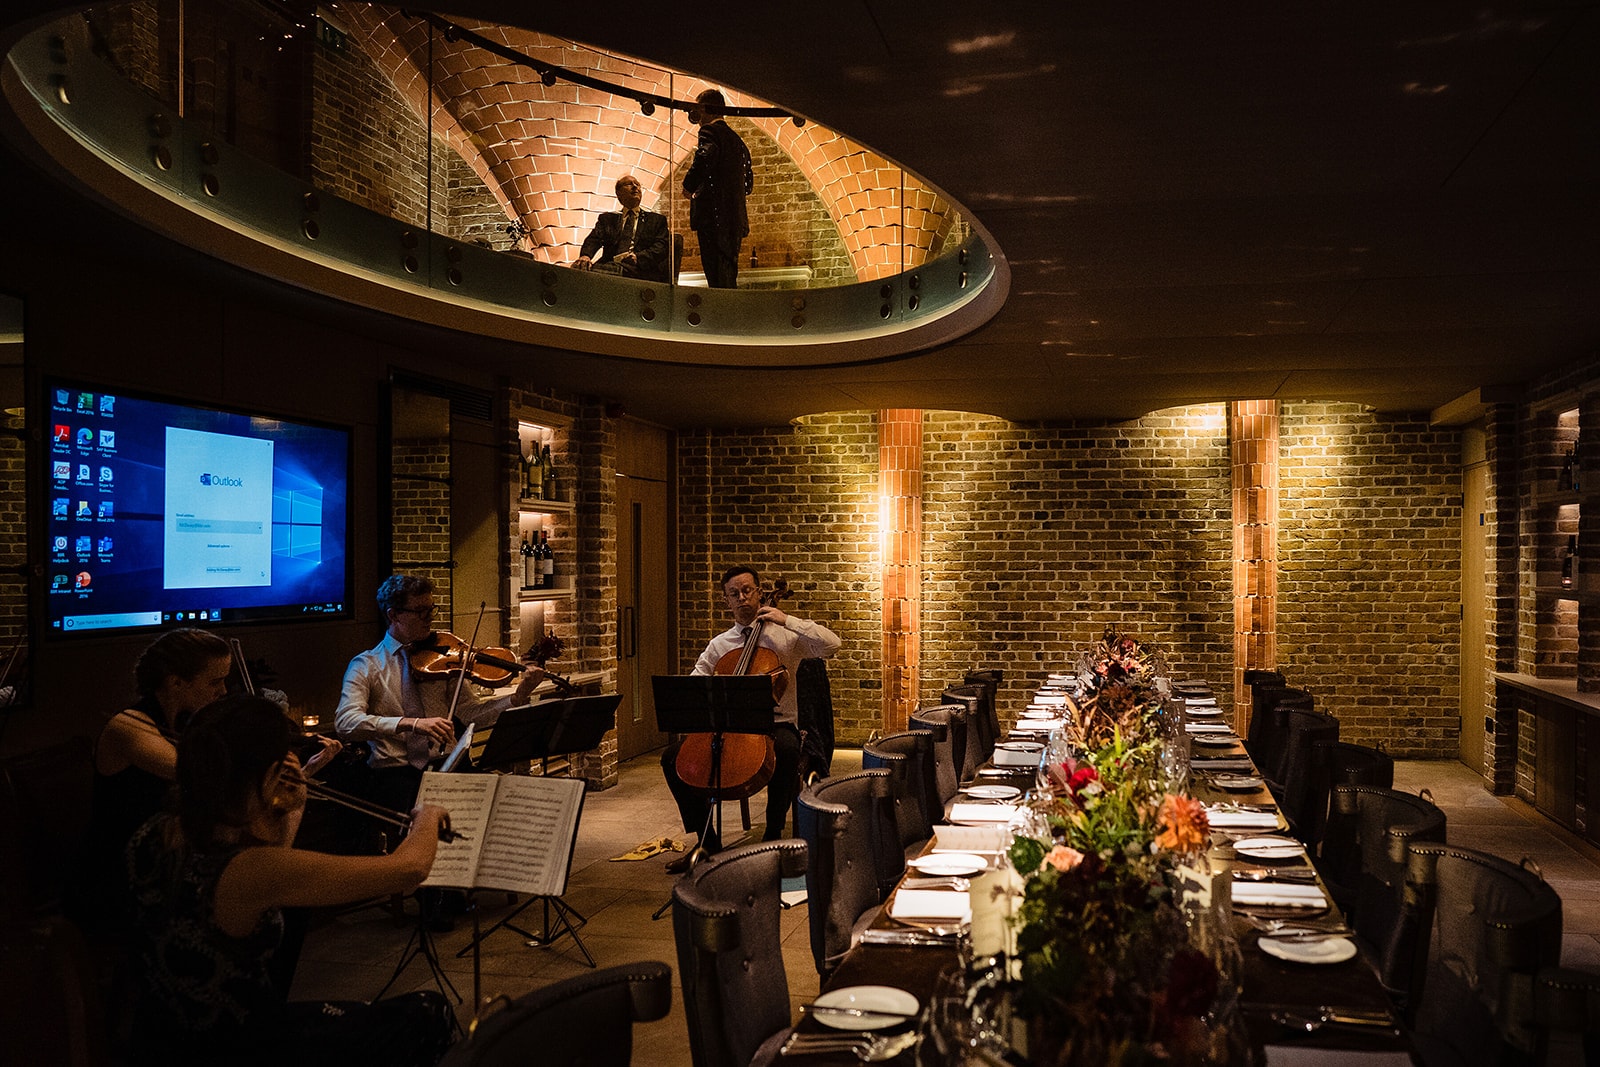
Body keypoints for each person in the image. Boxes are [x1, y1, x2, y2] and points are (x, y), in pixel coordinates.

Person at [125, 694, 455, 1066]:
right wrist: (427, 814)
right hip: (239, 1045)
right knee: (428, 1012)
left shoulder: (154, 833)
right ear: (266, 775)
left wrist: (293, 802)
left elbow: (275, 862)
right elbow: (408, 869)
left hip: (161, 1035)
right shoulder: (252, 870)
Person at [77, 628, 340, 936]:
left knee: (282, 893)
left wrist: (300, 774)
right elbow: (202, 777)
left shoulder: (187, 723)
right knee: (270, 896)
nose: (224, 691)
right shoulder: (129, 727)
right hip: (129, 869)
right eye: (215, 681)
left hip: (180, 855)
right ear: (176, 682)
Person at [660, 565, 840, 873]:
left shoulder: (786, 638)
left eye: (748, 590)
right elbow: (695, 682)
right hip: (728, 726)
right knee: (671, 759)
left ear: (759, 593)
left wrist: (788, 619)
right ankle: (707, 842)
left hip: (777, 725)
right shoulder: (720, 645)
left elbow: (832, 644)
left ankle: (773, 835)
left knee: (785, 750)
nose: (742, 598)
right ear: (726, 600)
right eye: (734, 593)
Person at [335, 573, 545, 824]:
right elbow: (346, 722)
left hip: (448, 765)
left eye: (431, 609)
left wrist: (518, 697)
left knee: (496, 818)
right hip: (395, 775)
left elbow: (469, 713)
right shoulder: (366, 665)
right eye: (420, 612)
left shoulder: (445, 657)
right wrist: (410, 723)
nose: (429, 619)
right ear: (393, 615)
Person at [683, 89, 753, 289]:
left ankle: (720, 315)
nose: (696, 118)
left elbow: (705, 157)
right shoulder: (739, 143)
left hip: (713, 216)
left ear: (707, 109)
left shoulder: (710, 131)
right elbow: (749, 183)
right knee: (729, 274)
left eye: (699, 110)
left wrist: (689, 186)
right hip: (735, 219)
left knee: (714, 274)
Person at [574, 173, 670, 282]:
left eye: (637, 184)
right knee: (580, 269)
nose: (635, 187)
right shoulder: (608, 219)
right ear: (618, 193)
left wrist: (637, 257)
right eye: (629, 184)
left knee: (595, 273)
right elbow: (594, 239)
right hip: (611, 267)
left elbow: (661, 246)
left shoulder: (656, 220)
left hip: (641, 270)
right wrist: (586, 256)